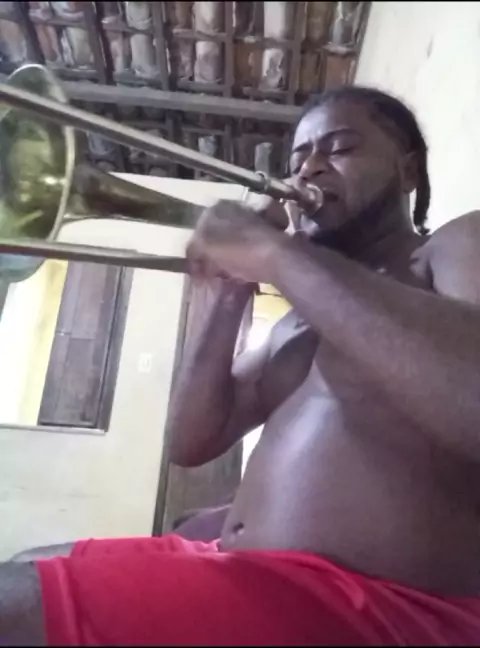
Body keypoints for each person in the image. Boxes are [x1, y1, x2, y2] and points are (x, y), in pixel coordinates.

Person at [3, 86, 480, 645]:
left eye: (339, 148)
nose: (309, 169)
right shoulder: (297, 322)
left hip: (381, 606)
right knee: (29, 561)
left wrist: (277, 253)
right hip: (241, 566)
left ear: (408, 171)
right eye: (299, 157)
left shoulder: (457, 243)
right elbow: (192, 443)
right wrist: (228, 295)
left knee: (11, 607)